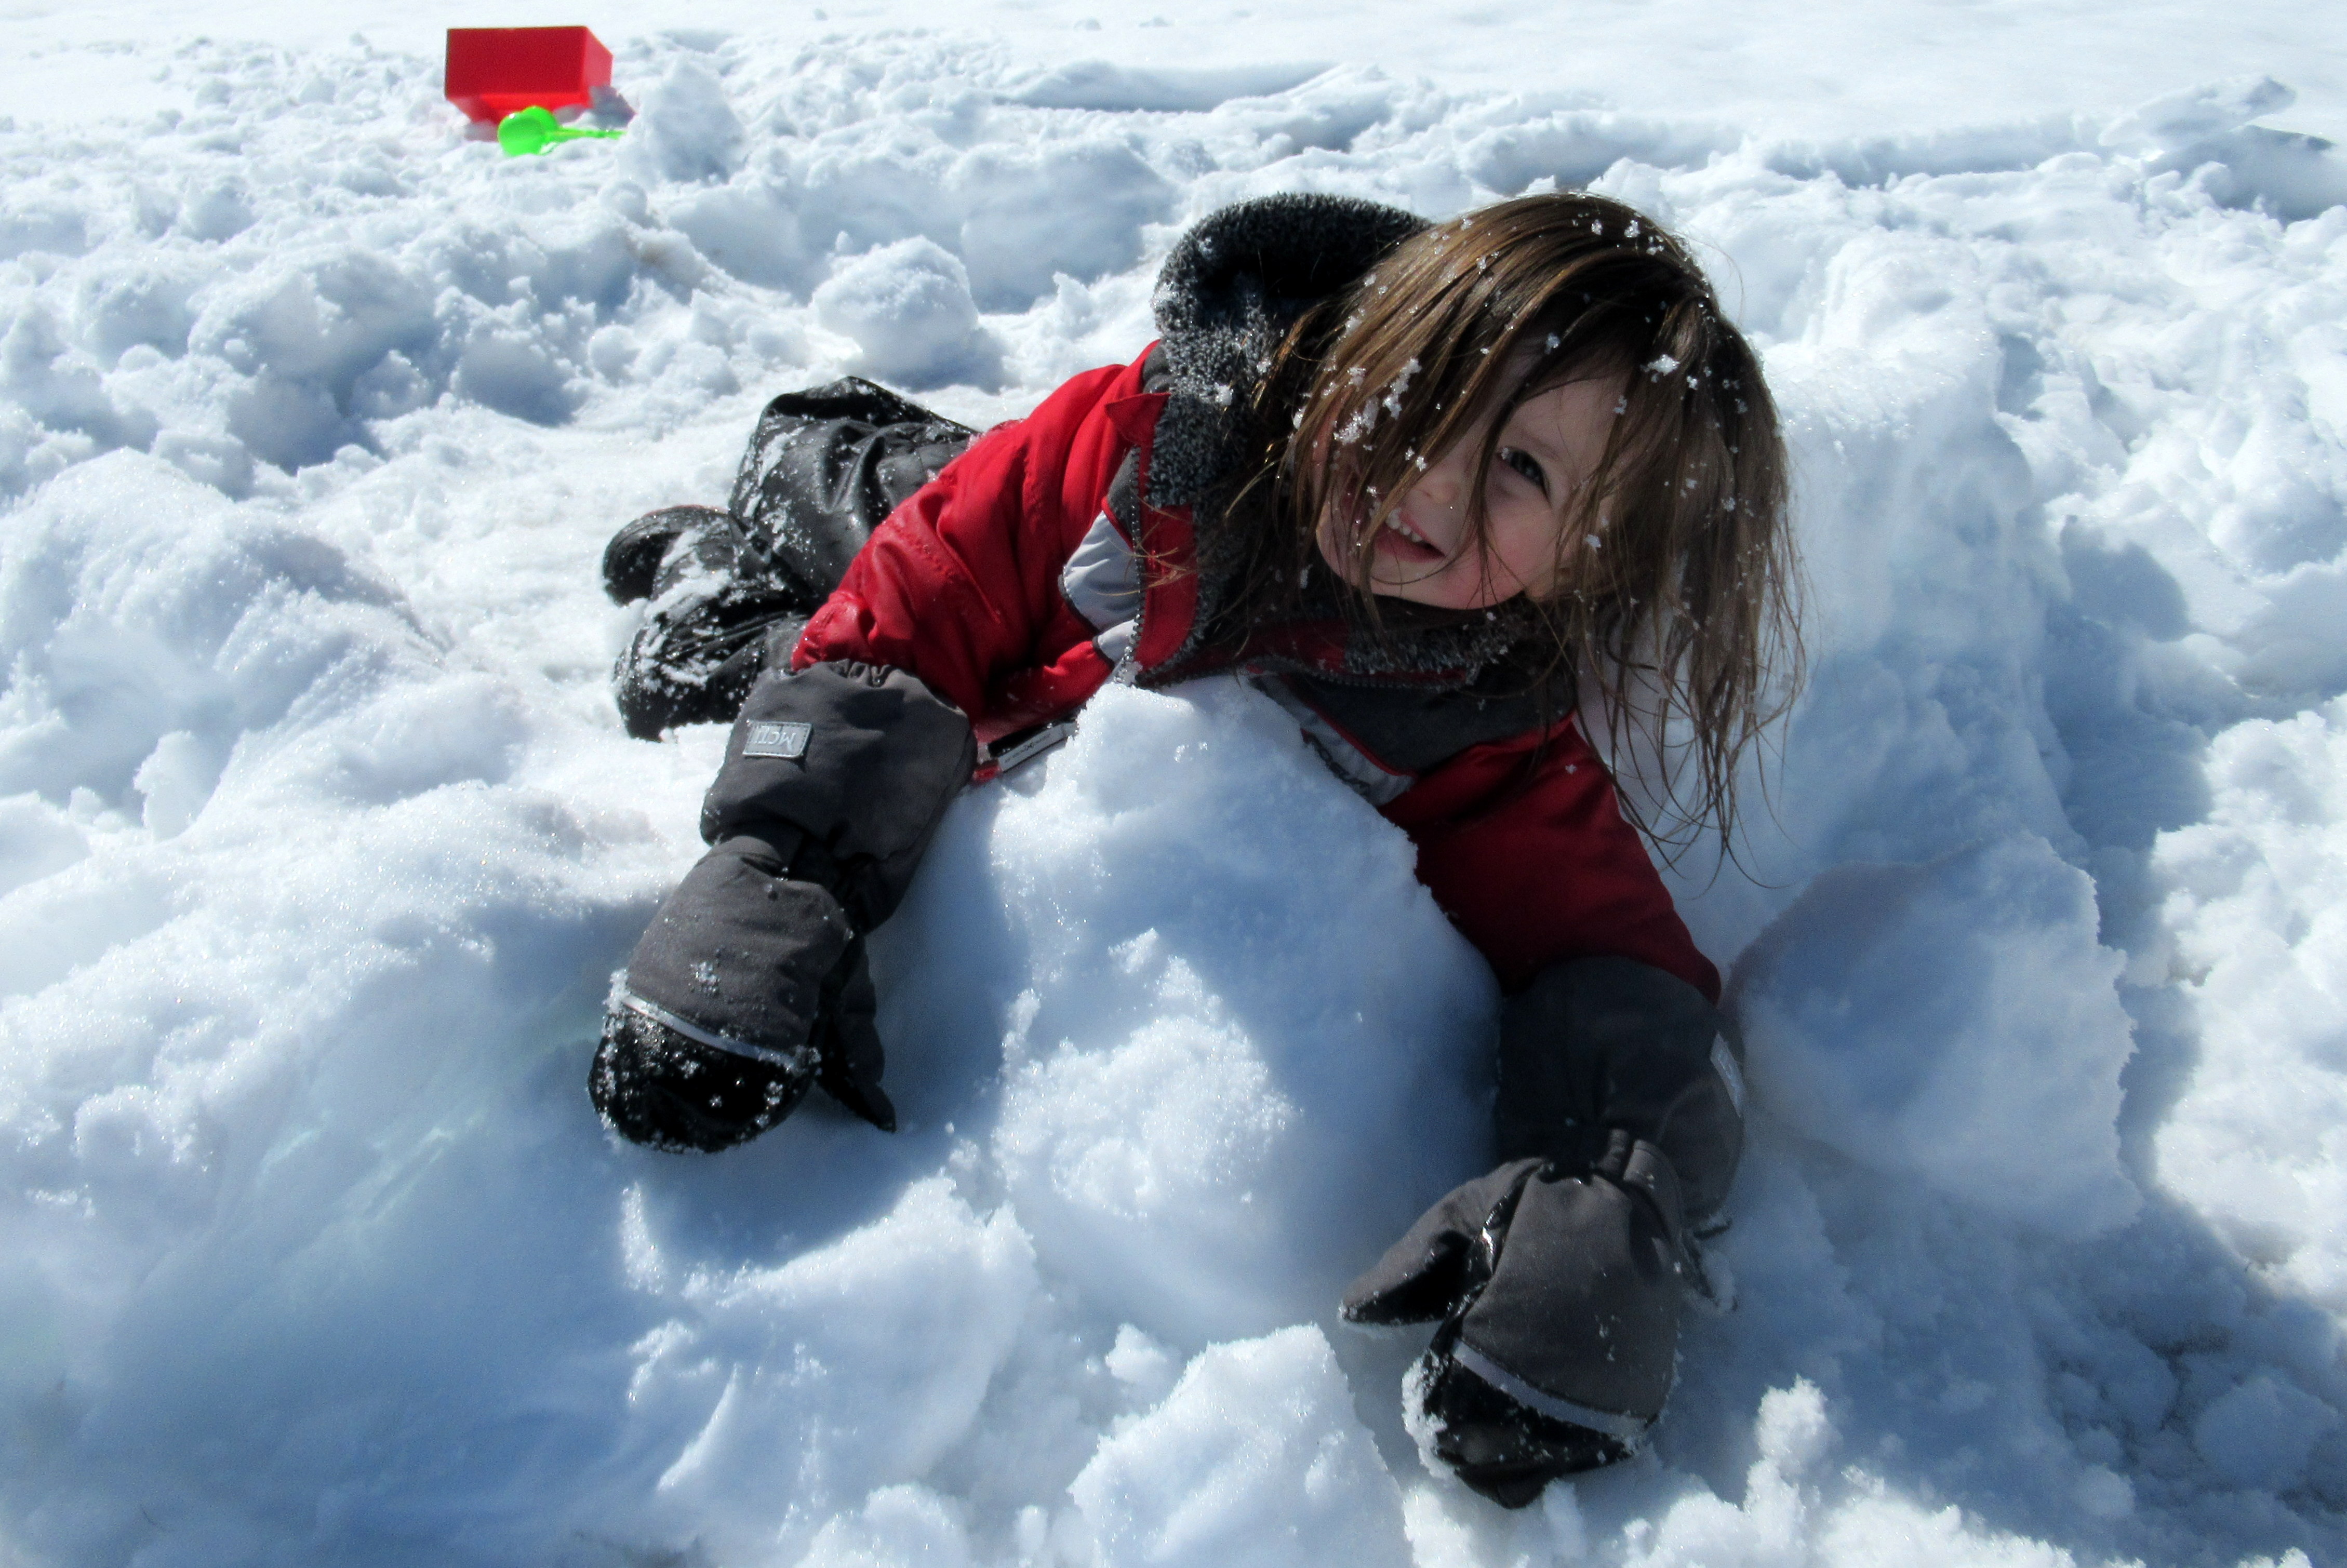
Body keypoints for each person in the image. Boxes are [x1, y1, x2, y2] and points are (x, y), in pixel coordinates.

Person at [589, 192, 1797, 1507]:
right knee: (821, 534)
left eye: (1524, 471)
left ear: (1584, 567)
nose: (1429, 474)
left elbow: (1617, 965)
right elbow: (913, 606)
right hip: (995, 549)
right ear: (1366, 333)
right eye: (1424, 384)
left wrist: (1605, 1208)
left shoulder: (1477, 719)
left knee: (763, 628)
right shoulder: (1157, 446)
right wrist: (781, 865)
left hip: (1033, 632)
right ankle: (798, 456)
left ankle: (725, 573)